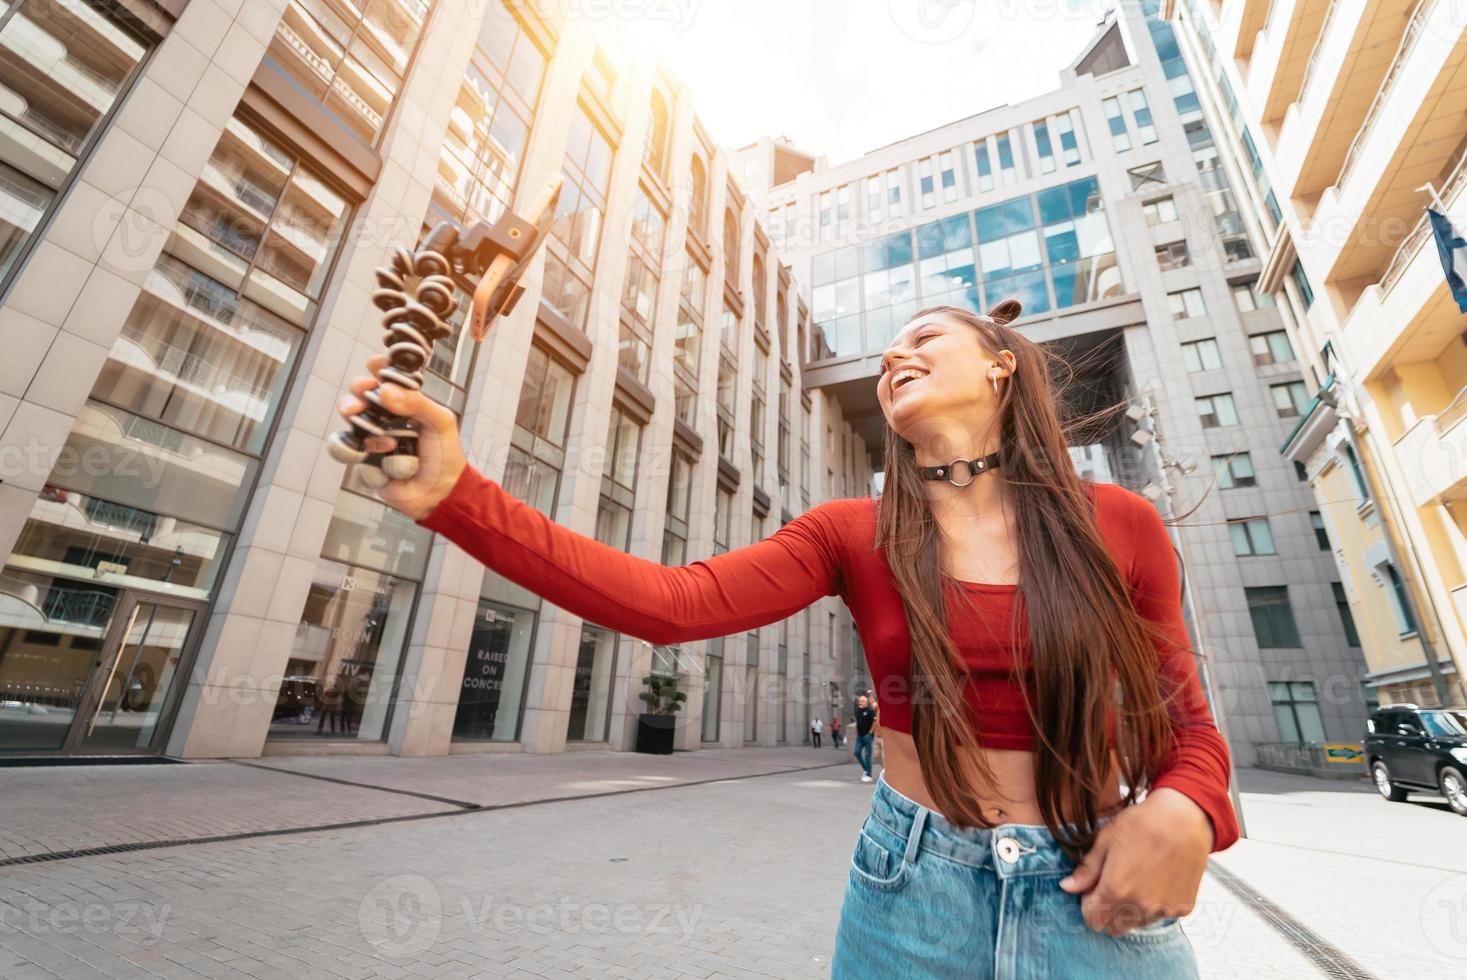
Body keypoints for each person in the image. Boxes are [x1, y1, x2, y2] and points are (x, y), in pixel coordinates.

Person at [338, 300, 1237, 977]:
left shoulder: (1117, 524)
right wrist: (456, 495)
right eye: (889, 352)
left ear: (1001, 367)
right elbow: (670, 604)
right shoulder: (850, 532)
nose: (896, 355)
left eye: (923, 339)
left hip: (1096, 893)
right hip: (908, 891)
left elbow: (1187, 727)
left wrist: (1187, 808)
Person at [853, 694, 877, 782]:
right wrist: (856, 732)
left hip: (867, 736)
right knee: (856, 752)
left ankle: (869, 775)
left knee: (867, 755)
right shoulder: (858, 710)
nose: (860, 703)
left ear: (866, 702)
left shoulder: (870, 710)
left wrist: (870, 732)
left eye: (862, 701)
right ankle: (866, 769)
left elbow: (875, 721)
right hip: (859, 736)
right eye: (859, 701)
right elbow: (858, 722)